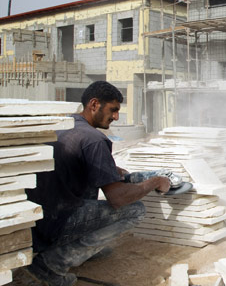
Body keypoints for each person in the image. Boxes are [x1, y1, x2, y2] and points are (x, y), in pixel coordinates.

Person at [25, 81, 171, 286]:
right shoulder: (94, 139)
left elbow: (73, 166)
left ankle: (81, 249)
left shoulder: (65, 126)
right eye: (113, 110)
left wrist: (110, 171)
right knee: (135, 210)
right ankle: (50, 265)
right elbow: (118, 198)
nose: (116, 117)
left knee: (95, 185)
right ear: (94, 105)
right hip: (56, 222)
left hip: (36, 219)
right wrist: (154, 181)